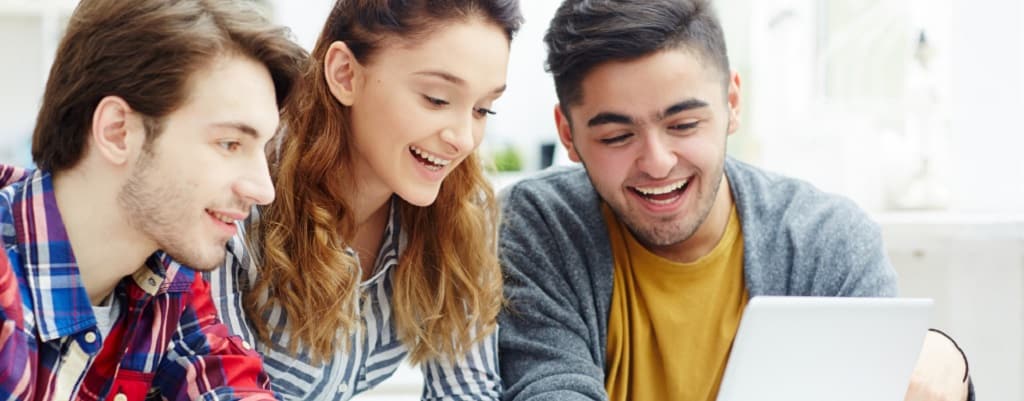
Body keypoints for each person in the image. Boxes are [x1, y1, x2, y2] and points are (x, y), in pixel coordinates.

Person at [496, 1, 974, 401]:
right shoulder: (538, 228)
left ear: (732, 103)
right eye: (618, 136)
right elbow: (548, 386)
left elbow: (907, 382)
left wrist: (945, 366)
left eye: (684, 125)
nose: (658, 162)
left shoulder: (825, 241)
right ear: (568, 134)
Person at [205, 0, 521, 399]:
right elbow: (223, 388)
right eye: (437, 99)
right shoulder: (243, 197)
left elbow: (467, 389)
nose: (463, 139)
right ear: (345, 74)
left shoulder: (463, 209)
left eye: (482, 110)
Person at [0, 0, 306, 399]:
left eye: (261, 151)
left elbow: (228, 384)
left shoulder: (165, 282)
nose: (264, 190)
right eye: (229, 143)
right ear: (117, 132)